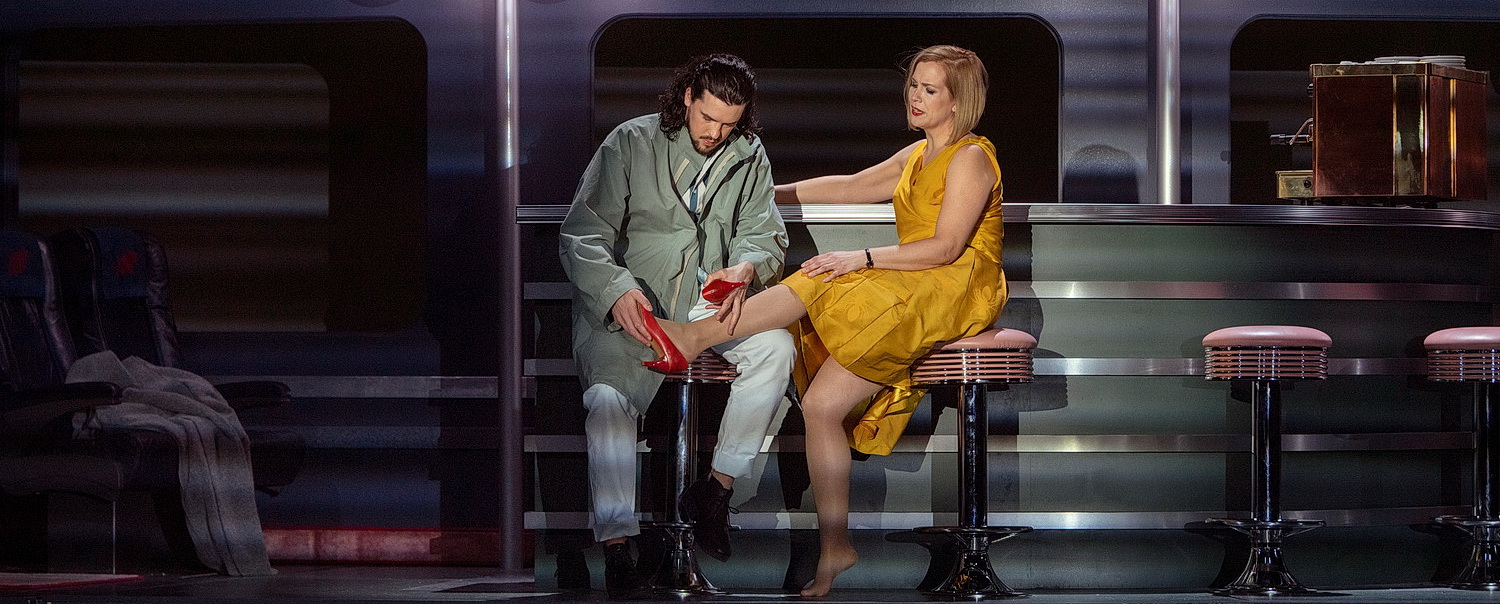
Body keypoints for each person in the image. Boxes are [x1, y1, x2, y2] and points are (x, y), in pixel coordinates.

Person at [633, 45, 1006, 597]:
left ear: (958, 101)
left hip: (955, 286)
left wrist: (863, 257)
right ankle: (836, 546)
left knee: (824, 277)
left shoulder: (971, 156)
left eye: (930, 90)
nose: (915, 97)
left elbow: (947, 247)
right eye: (913, 85)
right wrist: (761, 194)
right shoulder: (918, 154)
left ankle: (692, 335)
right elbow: (851, 186)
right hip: (916, 282)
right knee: (821, 406)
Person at [558, 53, 795, 598]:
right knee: (607, 401)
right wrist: (616, 290)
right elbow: (582, 234)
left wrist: (747, 267)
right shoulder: (630, 142)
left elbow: (765, 234)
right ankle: (617, 546)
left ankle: (716, 490)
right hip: (636, 304)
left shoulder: (749, 153)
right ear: (687, 97)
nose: (715, 133)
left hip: (708, 308)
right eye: (708, 118)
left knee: (776, 347)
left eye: (729, 124)